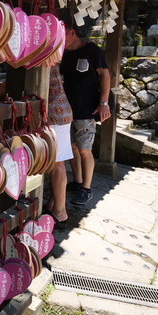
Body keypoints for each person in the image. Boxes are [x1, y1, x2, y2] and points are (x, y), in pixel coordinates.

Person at [60, 22, 111, 205]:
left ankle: (87, 189)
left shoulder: (92, 50)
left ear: (72, 32)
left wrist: (104, 103)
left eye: (62, 33)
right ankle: (77, 181)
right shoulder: (65, 56)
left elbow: (105, 75)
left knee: (84, 150)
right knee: (72, 148)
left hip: (87, 109)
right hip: (68, 110)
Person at [44, 65, 73, 229]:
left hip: (56, 114)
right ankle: (52, 205)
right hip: (59, 110)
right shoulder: (49, 50)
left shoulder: (38, 51)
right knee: (58, 162)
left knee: (57, 163)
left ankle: (60, 212)